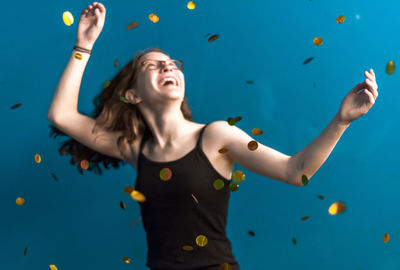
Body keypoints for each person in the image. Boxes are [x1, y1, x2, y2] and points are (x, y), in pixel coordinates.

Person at [47, 2, 379, 270]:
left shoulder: (217, 136)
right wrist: (83, 46)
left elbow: (296, 171)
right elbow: (61, 116)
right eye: (153, 65)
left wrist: (342, 120)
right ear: (132, 95)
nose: (169, 68)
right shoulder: (136, 150)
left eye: (172, 64)